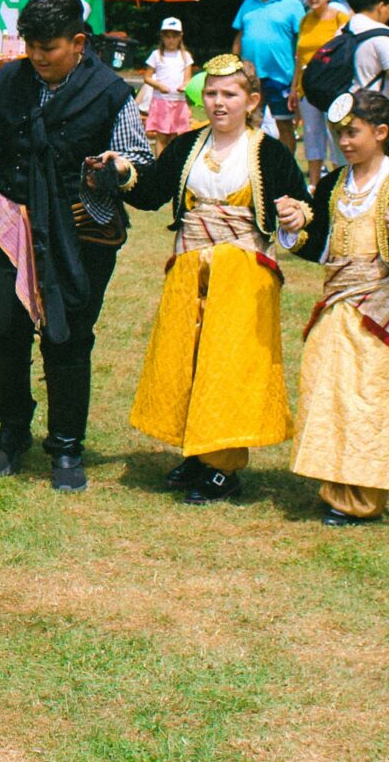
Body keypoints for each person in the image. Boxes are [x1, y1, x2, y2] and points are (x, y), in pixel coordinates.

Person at [0, 0, 151, 490]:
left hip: (78, 230)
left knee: (68, 337)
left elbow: (139, 159)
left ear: (78, 42)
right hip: (11, 220)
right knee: (1, 327)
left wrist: (118, 167)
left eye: (49, 47)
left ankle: (65, 446)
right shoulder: (11, 78)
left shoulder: (111, 91)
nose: (37, 56)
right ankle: (12, 433)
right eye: (30, 46)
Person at [101, 55, 311, 504]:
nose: (218, 102)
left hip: (243, 274)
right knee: (189, 358)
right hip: (189, 266)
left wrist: (296, 214)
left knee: (228, 364)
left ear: (251, 101)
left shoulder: (269, 152)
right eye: (211, 93)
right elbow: (151, 191)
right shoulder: (187, 146)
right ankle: (196, 453)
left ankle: (224, 466)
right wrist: (122, 172)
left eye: (230, 94)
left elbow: (302, 207)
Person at [283, 91, 389, 525]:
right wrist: (297, 224)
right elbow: (318, 243)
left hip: (377, 310)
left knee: (368, 397)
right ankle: (334, 483)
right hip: (336, 307)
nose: (344, 142)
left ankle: (365, 497)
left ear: (380, 132)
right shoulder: (334, 183)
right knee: (328, 389)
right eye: (339, 134)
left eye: (353, 132)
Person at [230, 0, 303, 152]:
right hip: (251, 75)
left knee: (284, 125)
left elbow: (301, 42)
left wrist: (298, 78)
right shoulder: (248, 2)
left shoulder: (292, 4)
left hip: (282, 76)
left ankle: (286, 164)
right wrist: (234, 66)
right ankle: (250, 163)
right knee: (249, 123)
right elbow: (239, 36)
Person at [293, 0, 350, 180]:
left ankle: (338, 178)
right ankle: (315, 182)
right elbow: (299, 57)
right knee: (311, 134)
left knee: (335, 133)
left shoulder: (340, 17)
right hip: (307, 87)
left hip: (332, 87)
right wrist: (294, 88)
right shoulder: (305, 20)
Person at [142, 17, 195, 156]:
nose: (171, 40)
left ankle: (172, 162)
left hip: (179, 101)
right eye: (167, 36)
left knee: (175, 136)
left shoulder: (185, 56)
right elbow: (147, 77)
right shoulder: (156, 55)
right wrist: (159, 86)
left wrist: (184, 86)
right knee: (161, 136)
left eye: (174, 36)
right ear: (162, 36)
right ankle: (160, 163)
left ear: (180, 36)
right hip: (161, 101)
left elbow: (188, 79)